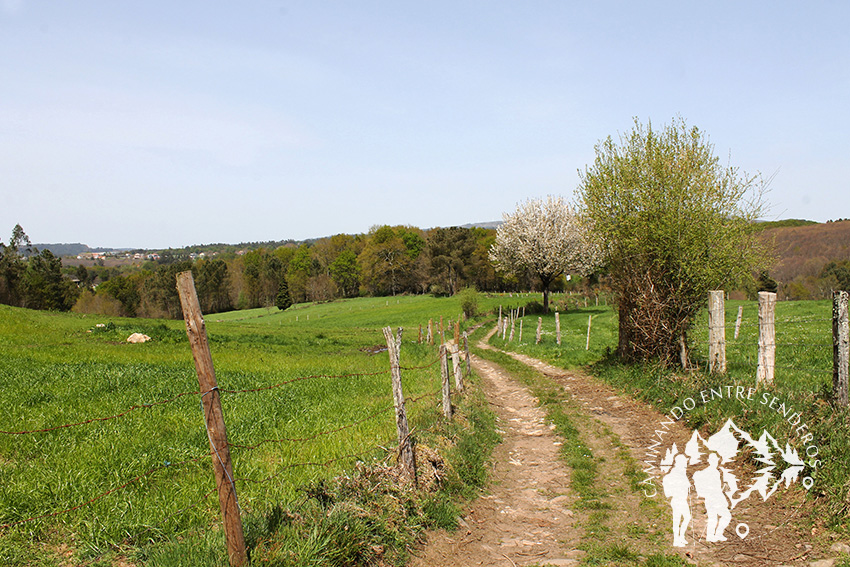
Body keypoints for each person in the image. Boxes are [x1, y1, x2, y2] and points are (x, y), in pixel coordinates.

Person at [693, 452, 732, 542]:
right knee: (723, 516)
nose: (715, 462)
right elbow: (714, 488)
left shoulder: (714, 472)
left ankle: (714, 535)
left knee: (715, 517)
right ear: (709, 461)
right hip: (713, 498)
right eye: (713, 460)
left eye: (716, 460)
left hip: (713, 498)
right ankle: (715, 535)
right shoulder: (711, 472)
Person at [662, 453, 692, 547]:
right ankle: (676, 540)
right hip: (677, 500)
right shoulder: (675, 473)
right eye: (684, 462)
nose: (686, 463)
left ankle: (681, 536)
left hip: (682, 500)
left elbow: (687, 484)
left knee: (687, 517)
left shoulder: (682, 472)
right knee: (677, 519)